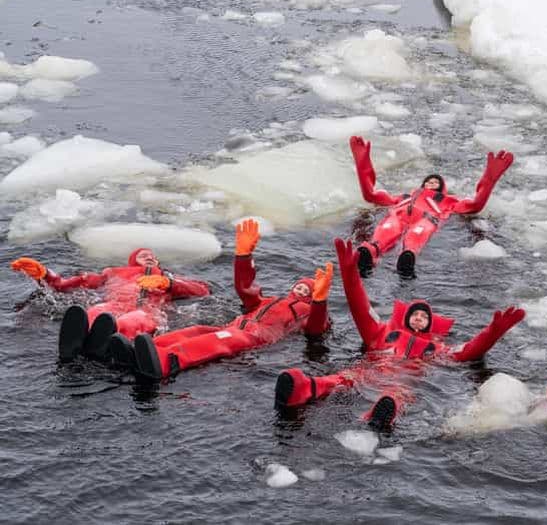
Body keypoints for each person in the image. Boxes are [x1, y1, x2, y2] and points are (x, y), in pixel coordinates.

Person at [273, 238, 526, 431]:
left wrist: (494, 332)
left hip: (403, 381)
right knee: (342, 378)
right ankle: (302, 388)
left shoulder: (438, 349)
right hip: (370, 370)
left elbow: (470, 350)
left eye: (424, 316)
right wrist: (349, 272)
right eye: (415, 314)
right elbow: (361, 308)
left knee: (396, 396)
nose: (418, 317)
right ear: (405, 317)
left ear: (430, 324)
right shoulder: (382, 333)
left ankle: (380, 415)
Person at [120, 218, 333, 381]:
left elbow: (316, 327)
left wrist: (320, 301)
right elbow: (245, 290)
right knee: (194, 331)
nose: (303, 288)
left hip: (255, 337)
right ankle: (143, 348)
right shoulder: (269, 300)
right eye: (301, 285)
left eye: (309, 289)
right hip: (236, 327)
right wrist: (242, 257)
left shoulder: (306, 312)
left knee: (214, 342)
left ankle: (168, 361)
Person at [349, 135, 514, 277]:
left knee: (415, 236)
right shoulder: (404, 197)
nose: (431, 182)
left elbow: (475, 205)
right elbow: (370, 195)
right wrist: (362, 163)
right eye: (429, 181)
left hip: (427, 219)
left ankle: (407, 256)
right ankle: (370, 252)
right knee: (385, 232)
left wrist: (490, 178)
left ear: (442, 187)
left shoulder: (449, 201)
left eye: (436, 181)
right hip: (397, 216)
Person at [10, 248, 210, 363]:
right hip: (113, 304)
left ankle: (103, 342)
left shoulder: (166, 276)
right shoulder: (112, 273)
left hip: (146, 309)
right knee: (96, 311)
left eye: (152, 255)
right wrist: (45, 274)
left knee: (133, 320)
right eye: (143, 255)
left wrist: (170, 284)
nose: (149, 256)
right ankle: (79, 339)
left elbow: (202, 290)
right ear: (132, 260)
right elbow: (68, 284)